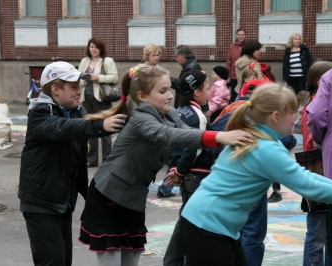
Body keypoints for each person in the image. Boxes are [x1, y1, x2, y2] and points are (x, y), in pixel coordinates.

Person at [78, 64, 253, 266]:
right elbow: (168, 135)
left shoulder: (170, 114)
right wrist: (220, 135)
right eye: (162, 91)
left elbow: (187, 134)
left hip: (133, 199)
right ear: (143, 96)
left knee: (130, 259)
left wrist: (223, 134)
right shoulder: (140, 118)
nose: (170, 95)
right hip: (109, 195)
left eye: (169, 89)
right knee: (113, 261)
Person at [179, 83, 332, 265]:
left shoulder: (256, 137)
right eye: (292, 112)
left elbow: (306, 178)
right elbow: (309, 186)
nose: (297, 116)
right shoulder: (265, 149)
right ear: (276, 116)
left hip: (209, 223)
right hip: (209, 227)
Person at [18, 61, 126, 266]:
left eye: (80, 86)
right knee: (53, 260)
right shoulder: (40, 113)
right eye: (74, 87)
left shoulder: (77, 111)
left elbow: (78, 161)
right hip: (40, 202)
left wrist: (90, 196)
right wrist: (99, 125)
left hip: (63, 201)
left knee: (64, 259)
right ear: (56, 89)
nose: (79, 91)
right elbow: (64, 128)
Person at [163, 70, 214, 266]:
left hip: (185, 175)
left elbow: (170, 144)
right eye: (207, 88)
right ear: (196, 92)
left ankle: (172, 261)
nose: (208, 93)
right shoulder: (197, 116)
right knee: (194, 225)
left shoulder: (177, 113)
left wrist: (174, 168)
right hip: (196, 176)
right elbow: (195, 148)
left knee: (186, 221)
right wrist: (181, 170)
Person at [301, 61, 332, 266]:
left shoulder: (319, 103)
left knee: (323, 234)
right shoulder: (311, 109)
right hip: (318, 176)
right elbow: (309, 142)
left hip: (322, 173)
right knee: (317, 235)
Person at [78, 36, 119, 167]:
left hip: (102, 98)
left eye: (96, 47)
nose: (93, 49)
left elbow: (114, 77)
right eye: (91, 47)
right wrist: (84, 78)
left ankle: (107, 159)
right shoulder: (85, 61)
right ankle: (92, 159)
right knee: (90, 129)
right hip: (87, 99)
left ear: (101, 48)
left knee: (106, 128)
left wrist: (98, 77)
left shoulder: (107, 61)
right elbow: (77, 77)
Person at [226, 27, 246, 102]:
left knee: (244, 96)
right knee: (234, 97)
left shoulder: (248, 46)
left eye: (242, 35)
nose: (240, 36)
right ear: (237, 36)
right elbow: (229, 61)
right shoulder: (232, 47)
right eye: (239, 35)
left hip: (245, 75)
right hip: (234, 75)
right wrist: (228, 76)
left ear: (245, 36)